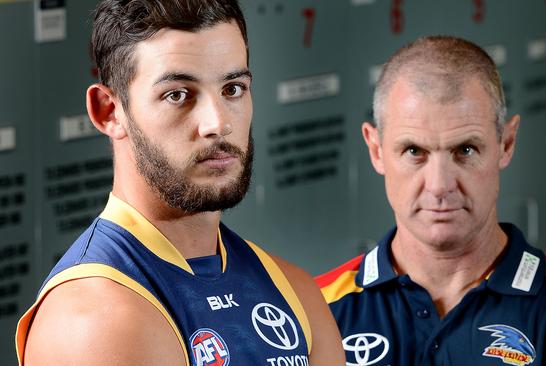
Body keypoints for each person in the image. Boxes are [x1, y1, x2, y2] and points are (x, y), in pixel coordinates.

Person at [16, 1, 344, 365]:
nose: (217, 123)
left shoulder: (294, 292)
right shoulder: (93, 321)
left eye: (233, 89)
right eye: (178, 95)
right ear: (109, 111)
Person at [316, 36, 546, 366]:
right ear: (376, 150)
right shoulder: (311, 308)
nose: (439, 186)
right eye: (414, 152)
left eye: (465, 150)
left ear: (506, 144)